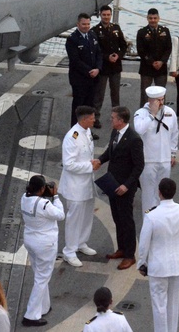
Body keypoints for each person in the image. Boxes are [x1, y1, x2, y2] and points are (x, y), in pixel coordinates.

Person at [138, 178, 179, 332]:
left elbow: (144, 244)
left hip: (158, 267)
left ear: (159, 193)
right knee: (173, 304)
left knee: (159, 305)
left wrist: (142, 263)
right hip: (177, 264)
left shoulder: (152, 215)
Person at [95, 106, 145, 270]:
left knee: (126, 220)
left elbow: (139, 166)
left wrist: (127, 185)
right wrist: (100, 161)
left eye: (113, 118)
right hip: (112, 182)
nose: (111, 120)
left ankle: (130, 255)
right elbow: (110, 152)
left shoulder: (133, 139)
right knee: (117, 218)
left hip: (124, 186)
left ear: (121, 121)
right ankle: (121, 248)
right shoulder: (115, 133)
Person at [19, 175, 64, 327]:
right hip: (45, 244)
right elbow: (60, 214)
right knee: (42, 278)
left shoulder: (24, 197)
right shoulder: (44, 204)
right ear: (41, 189)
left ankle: (44, 306)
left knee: (39, 275)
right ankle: (30, 315)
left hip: (30, 240)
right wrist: (56, 196)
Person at [59, 106, 100, 267]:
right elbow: (68, 164)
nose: (94, 119)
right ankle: (69, 251)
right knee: (74, 219)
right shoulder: (72, 137)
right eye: (92, 117)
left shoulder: (87, 131)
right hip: (75, 186)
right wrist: (90, 166)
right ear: (83, 119)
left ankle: (81, 242)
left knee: (87, 214)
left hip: (87, 183)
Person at [133, 86, 178, 212]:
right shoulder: (141, 113)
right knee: (148, 194)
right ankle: (149, 221)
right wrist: (152, 115)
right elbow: (139, 129)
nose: (161, 103)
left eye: (162, 99)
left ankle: (160, 221)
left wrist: (173, 153)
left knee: (163, 195)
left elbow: (174, 133)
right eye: (158, 100)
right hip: (148, 160)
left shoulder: (170, 112)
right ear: (150, 100)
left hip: (165, 159)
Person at [66, 13, 103, 125]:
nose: (86, 26)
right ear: (78, 24)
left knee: (89, 106)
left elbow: (99, 54)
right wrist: (89, 71)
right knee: (78, 107)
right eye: (83, 24)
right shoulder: (72, 39)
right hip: (79, 79)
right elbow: (75, 60)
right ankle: (75, 130)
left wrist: (98, 69)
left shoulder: (92, 35)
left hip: (93, 78)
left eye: (88, 24)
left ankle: (87, 129)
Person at [92, 4, 129, 112]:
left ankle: (116, 114)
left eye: (108, 15)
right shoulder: (95, 31)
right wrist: (107, 57)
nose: (106, 17)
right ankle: (96, 115)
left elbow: (123, 45)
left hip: (115, 66)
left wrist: (119, 55)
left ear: (111, 15)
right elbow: (95, 51)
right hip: (103, 67)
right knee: (99, 93)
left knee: (115, 93)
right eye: (104, 15)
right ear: (100, 15)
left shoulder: (116, 28)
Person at [136, 8, 172, 107]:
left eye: (155, 18)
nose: (153, 20)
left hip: (161, 68)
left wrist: (162, 61)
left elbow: (168, 48)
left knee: (161, 93)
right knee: (144, 93)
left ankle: (161, 113)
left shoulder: (165, 31)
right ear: (147, 18)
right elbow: (140, 50)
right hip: (146, 67)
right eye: (150, 18)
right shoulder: (142, 32)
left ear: (158, 18)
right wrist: (152, 62)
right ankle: (143, 114)